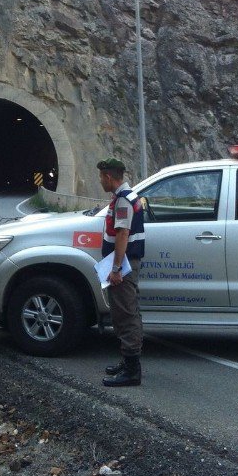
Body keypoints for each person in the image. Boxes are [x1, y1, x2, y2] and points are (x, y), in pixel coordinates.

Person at [97, 157, 146, 387]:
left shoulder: (124, 201)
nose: (100, 181)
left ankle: (132, 370)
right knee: (124, 311)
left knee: (126, 314)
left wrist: (116, 269)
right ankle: (127, 361)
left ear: (108, 176)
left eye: (101, 177)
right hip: (122, 263)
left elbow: (122, 235)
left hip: (123, 266)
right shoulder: (123, 197)